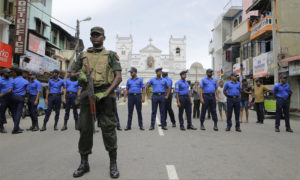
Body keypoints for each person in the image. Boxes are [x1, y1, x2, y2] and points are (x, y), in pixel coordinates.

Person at [72, 26, 122, 178]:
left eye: (98, 35)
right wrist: (79, 76)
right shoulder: (82, 55)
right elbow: (72, 72)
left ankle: (113, 164)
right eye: (93, 35)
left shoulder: (111, 55)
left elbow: (118, 77)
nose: (95, 38)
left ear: (104, 38)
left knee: (109, 130)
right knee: (85, 129)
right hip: (88, 95)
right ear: (90, 38)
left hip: (105, 96)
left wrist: (105, 93)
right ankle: (84, 163)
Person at [0, 68, 14, 134]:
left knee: (14, 113)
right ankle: (1, 127)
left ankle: (16, 126)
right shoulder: (0, 80)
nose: (9, 74)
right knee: (1, 113)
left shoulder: (11, 80)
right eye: (7, 72)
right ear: (4, 73)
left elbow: (13, 89)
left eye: (9, 72)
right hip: (3, 98)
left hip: (11, 98)